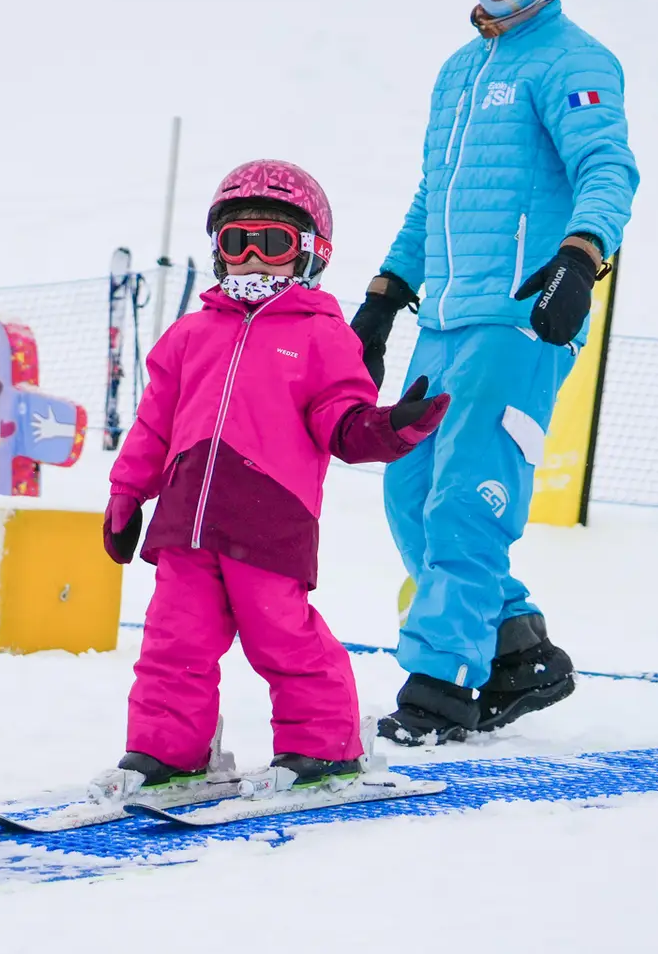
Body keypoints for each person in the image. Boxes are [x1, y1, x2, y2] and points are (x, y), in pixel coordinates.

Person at [350, 0, 639, 745]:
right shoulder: (458, 70)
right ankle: (517, 649)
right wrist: (383, 295)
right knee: (409, 491)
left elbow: (608, 167)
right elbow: (434, 195)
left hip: (521, 317)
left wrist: (581, 260)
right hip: (445, 318)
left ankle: (440, 686)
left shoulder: (572, 61)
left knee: (465, 505)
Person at [99, 160, 451, 799]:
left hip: (271, 519)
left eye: (275, 242)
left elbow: (343, 424)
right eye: (238, 243)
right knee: (173, 643)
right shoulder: (188, 335)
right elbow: (153, 423)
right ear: (218, 253)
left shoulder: (322, 337)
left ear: (311, 254)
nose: (254, 258)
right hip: (186, 523)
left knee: (283, 637)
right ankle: (166, 751)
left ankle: (323, 748)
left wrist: (393, 426)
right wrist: (127, 494)